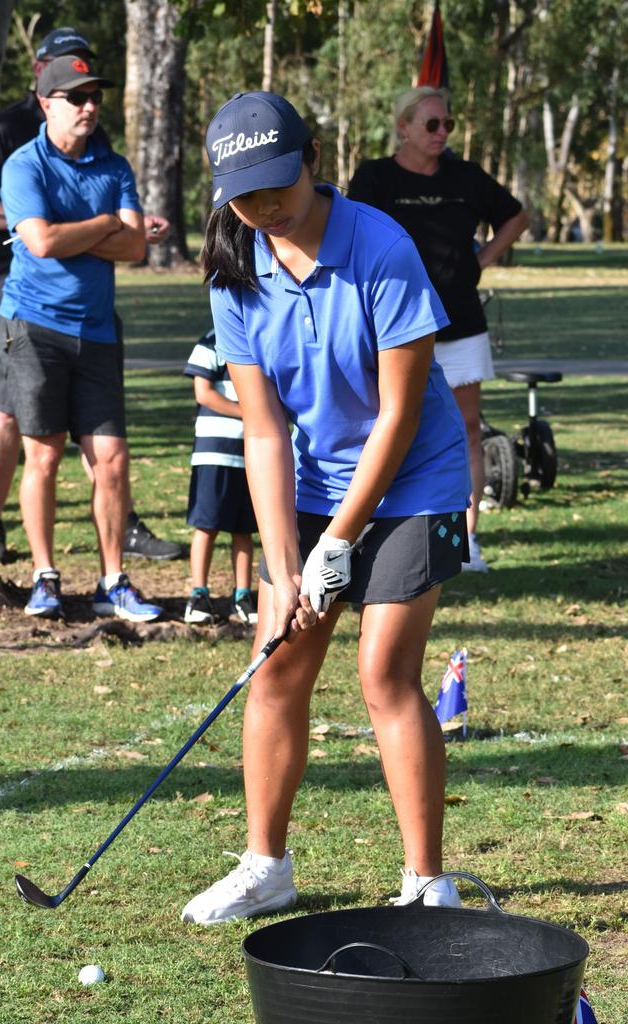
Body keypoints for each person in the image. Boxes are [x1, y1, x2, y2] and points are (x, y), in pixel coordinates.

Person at [180, 91, 471, 925]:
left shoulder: (382, 246)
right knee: (277, 663)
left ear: (313, 158)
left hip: (413, 479)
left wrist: (339, 540)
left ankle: (426, 883)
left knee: (383, 673)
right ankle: (266, 866)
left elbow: (400, 415)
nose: (264, 205)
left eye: (276, 183)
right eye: (245, 192)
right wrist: (281, 567)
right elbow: (264, 431)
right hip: (305, 484)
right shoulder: (236, 267)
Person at [0, 26, 181, 565]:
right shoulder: (15, 148)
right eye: (78, 95)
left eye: (96, 95)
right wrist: (105, 223)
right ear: (45, 93)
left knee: (110, 456)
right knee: (27, 440)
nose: (90, 105)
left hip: (94, 325)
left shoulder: (111, 161)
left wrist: (83, 228)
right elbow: (39, 242)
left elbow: (135, 245)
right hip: (24, 309)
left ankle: (113, 577)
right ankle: (11, 543)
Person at [348, 87, 529, 572]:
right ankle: (372, 526)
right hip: (392, 328)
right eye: (432, 124)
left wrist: (482, 260)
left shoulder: (466, 177)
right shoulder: (374, 177)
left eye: (447, 124)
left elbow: (515, 217)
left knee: (468, 429)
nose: (443, 132)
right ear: (403, 127)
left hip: (461, 322)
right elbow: (350, 231)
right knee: (384, 424)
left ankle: (467, 541)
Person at [183, 328, 258, 626]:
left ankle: (242, 595)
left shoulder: (260, 337)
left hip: (251, 453)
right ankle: (198, 595)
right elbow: (204, 393)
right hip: (213, 452)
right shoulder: (211, 340)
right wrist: (249, 412)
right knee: (207, 524)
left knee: (244, 528)